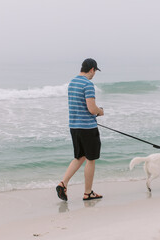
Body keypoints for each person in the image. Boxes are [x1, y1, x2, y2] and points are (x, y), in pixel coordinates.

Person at [56, 58, 104, 201]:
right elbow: (91, 109)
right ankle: (88, 192)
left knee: (79, 157)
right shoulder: (88, 84)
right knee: (91, 159)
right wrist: (100, 111)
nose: (94, 74)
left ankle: (63, 183)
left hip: (74, 126)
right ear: (91, 69)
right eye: (95, 71)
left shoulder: (72, 83)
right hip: (88, 128)